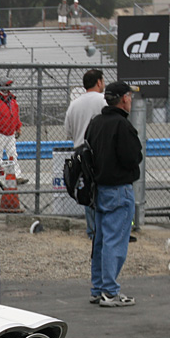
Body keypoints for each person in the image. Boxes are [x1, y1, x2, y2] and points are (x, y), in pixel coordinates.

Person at [84, 81, 143, 307]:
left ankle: (99, 288)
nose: (131, 100)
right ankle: (110, 291)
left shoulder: (96, 122)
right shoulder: (122, 125)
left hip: (100, 189)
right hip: (119, 189)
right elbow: (132, 157)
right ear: (124, 98)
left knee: (101, 240)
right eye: (129, 96)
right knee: (114, 242)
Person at [64, 69, 106, 239]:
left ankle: (92, 230)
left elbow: (68, 132)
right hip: (101, 150)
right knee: (103, 189)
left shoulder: (74, 104)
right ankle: (103, 228)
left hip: (80, 150)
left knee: (87, 189)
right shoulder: (104, 101)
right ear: (98, 82)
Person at [0, 78, 22, 182]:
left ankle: (16, 175)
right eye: (7, 86)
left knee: (13, 154)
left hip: (10, 132)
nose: (9, 88)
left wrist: (18, 128)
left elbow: (16, 114)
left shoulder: (11, 99)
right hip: (0, 132)